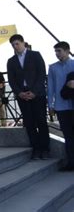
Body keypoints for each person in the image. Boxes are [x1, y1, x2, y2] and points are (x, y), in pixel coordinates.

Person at [7, 34, 49, 160]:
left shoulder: (35, 55)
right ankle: (35, 149)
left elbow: (41, 74)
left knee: (41, 122)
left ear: (23, 43)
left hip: (37, 94)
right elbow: (11, 80)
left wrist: (34, 92)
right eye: (13, 45)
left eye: (17, 44)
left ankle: (45, 149)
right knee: (29, 124)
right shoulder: (11, 61)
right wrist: (19, 93)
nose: (15, 46)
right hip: (22, 95)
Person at [47, 41, 74, 171]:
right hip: (61, 106)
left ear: (67, 51)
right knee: (68, 136)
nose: (57, 54)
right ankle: (71, 163)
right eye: (56, 51)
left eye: (59, 51)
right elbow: (50, 87)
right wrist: (50, 105)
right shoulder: (52, 68)